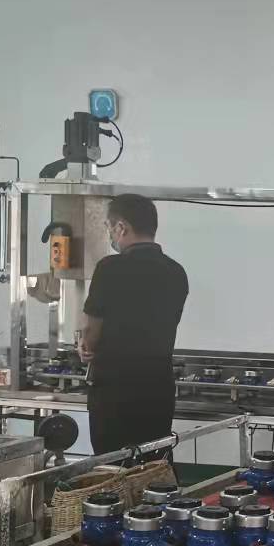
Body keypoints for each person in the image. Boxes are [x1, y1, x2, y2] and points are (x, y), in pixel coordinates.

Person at [79, 194, 189, 455]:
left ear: (121, 227)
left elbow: (91, 332)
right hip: (157, 390)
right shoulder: (176, 271)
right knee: (154, 462)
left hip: (115, 391)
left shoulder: (109, 268)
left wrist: (84, 347)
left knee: (113, 465)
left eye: (109, 228)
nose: (110, 235)